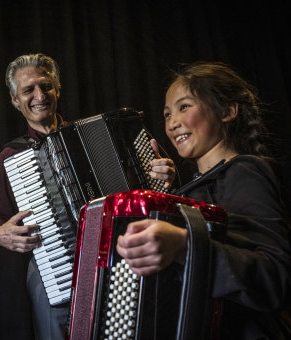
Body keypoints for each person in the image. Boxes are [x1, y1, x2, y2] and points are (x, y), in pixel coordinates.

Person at [0, 53, 176, 339]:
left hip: (116, 256)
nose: (39, 95)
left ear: (57, 90)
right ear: (14, 100)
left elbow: (149, 194)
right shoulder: (13, 155)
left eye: (46, 86)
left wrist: (164, 178)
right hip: (55, 262)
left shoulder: (97, 135)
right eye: (28, 90)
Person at [116, 61, 291, 339]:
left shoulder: (244, 170)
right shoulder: (193, 189)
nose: (172, 123)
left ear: (227, 111)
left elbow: (275, 279)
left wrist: (185, 247)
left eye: (184, 106)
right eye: (167, 113)